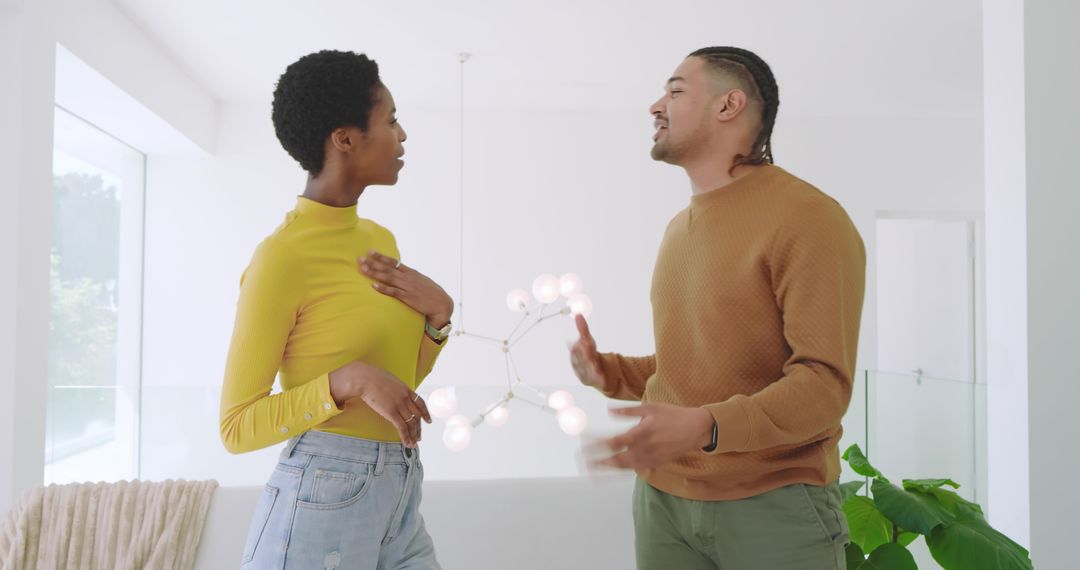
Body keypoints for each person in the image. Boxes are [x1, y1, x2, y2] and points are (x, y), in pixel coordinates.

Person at [570, 46, 866, 570]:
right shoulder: (678, 231)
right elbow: (696, 368)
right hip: (662, 502)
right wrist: (609, 373)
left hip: (774, 508)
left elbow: (824, 386)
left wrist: (708, 426)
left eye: (676, 90)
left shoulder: (809, 218)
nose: (655, 105)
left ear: (728, 105)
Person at [219, 50, 452, 569]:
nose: (403, 135)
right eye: (390, 120)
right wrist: (346, 381)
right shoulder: (281, 258)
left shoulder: (378, 239)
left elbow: (396, 382)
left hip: (401, 486)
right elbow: (236, 427)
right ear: (345, 138)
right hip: (321, 492)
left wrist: (438, 322)